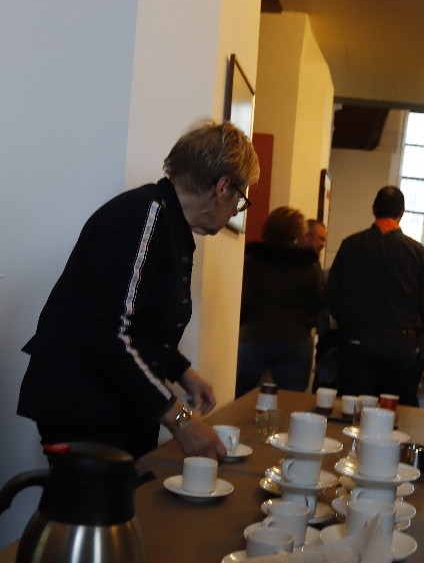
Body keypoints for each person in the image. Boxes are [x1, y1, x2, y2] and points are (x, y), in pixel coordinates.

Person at [17, 120, 257, 460]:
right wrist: (181, 419)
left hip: (113, 404)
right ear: (222, 187)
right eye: (241, 200)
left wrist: (183, 372)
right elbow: (105, 333)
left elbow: (141, 325)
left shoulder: (166, 221)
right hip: (85, 405)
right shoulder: (145, 216)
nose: (235, 210)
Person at [324, 186, 424, 406]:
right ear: (402, 212)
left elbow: (331, 294)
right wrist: (415, 332)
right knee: (392, 409)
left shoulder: (351, 245)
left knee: (355, 408)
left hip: (357, 340)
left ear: (374, 209)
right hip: (400, 342)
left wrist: (347, 324)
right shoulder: (416, 251)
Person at [235, 206, 326, 395]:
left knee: (241, 398)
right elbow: (317, 303)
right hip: (294, 339)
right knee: (289, 401)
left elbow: (243, 302)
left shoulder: (252, 261)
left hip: (254, 337)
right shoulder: (308, 264)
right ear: (298, 233)